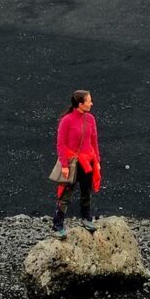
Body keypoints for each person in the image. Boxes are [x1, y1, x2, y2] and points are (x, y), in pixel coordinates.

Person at [52, 89, 102, 239]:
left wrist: (97, 161)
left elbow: (94, 141)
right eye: (89, 101)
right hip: (72, 163)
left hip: (87, 162)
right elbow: (61, 144)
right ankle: (57, 225)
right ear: (80, 104)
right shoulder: (66, 121)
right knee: (65, 195)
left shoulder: (91, 119)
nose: (91, 103)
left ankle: (86, 219)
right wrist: (65, 165)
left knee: (86, 192)